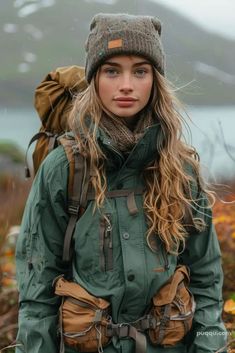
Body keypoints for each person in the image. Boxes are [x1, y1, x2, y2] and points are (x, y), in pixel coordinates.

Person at [15, 13, 227, 353]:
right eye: (112, 70)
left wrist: (212, 347)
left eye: (140, 71)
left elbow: (206, 275)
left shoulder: (181, 167)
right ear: (94, 79)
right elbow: (37, 291)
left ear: (155, 81)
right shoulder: (63, 169)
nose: (126, 84)